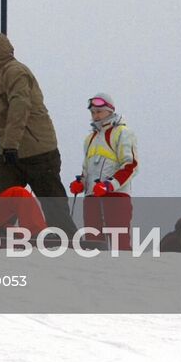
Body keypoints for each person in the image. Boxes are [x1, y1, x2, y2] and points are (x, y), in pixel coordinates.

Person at [0, 33, 75, 235]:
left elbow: (19, 108)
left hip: (38, 152)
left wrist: (11, 145)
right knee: (1, 203)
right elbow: (1, 115)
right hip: (10, 154)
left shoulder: (16, 72)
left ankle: (69, 241)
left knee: (53, 204)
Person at [71, 93, 138, 250]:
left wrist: (109, 185)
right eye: (93, 112)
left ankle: (124, 271)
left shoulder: (122, 133)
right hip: (92, 196)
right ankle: (96, 274)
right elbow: (86, 168)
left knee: (118, 242)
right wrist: (80, 182)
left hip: (115, 195)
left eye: (99, 111)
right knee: (93, 242)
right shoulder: (90, 139)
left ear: (110, 111)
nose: (95, 116)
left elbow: (131, 165)